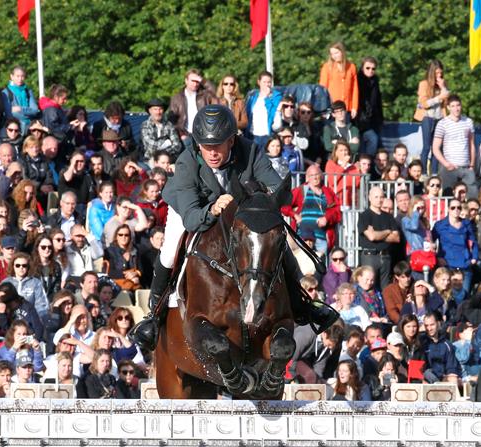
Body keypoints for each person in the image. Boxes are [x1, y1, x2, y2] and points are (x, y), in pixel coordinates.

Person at [130, 105, 338, 350]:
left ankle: (302, 304)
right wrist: (213, 209)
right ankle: (154, 315)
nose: (212, 152)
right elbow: (193, 218)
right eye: (206, 146)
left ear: (232, 140)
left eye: (218, 144)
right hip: (192, 208)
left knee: (270, 239)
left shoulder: (250, 151)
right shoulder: (187, 162)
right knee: (169, 251)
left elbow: (277, 190)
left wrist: (256, 197)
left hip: (239, 207)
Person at [431, 95, 476, 197]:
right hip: (449, 168)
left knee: (472, 197)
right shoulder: (442, 123)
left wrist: (472, 165)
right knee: (448, 198)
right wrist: (446, 164)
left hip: (466, 167)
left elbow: (471, 144)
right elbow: (435, 148)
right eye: (453, 106)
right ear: (448, 107)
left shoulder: (468, 122)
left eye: (458, 105)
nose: (456, 108)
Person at [414, 60, 448, 173]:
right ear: (431, 72)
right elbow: (424, 103)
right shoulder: (424, 84)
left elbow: (446, 102)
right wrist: (438, 98)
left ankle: (434, 173)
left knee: (436, 148)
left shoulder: (442, 84)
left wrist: (443, 87)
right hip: (427, 118)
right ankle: (423, 172)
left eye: (440, 73)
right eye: (436, 73)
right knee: (426, 147)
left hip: (440, 119)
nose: (439, 76)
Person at [354, 57, 384, 156]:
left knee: (375, 142)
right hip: (358, 120)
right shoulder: (356, 79)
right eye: (368, 68)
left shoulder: (375, 81)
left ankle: (368, 165)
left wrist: (380, 119)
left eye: (373, 68)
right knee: (364, 143)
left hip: (372, 120)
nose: (370, 70)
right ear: (362, 68)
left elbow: (377, 101)